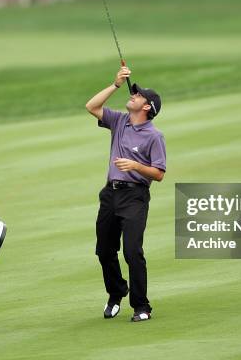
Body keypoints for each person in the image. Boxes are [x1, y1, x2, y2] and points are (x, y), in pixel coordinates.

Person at [85, 66, 166, 322]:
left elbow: (159, 173)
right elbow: (91, 106)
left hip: (135, 197)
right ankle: (116, 293)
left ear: (147, 107)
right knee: (104, 251)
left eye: (138, 95)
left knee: (132, 252)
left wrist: (136, 166)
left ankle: (142, 307)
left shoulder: (154, 136)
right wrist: (116, 84)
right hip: (110, 195)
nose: (133, 95)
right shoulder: (119, 121)